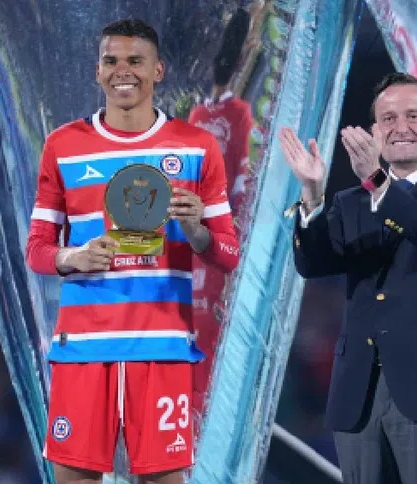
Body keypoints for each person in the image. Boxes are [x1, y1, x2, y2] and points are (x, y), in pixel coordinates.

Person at [24, 19, 240, 484]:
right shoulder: (63, 146)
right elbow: (37, 249)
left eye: (135, 61)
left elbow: (227, 253)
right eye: (111, 61)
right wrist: (72, 258)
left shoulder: (196, 146)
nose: (123, 71)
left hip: (162, 348)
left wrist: (195, 230)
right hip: (83, 348)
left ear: (158, 70)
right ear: (97, 72)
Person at [279, 72, 417, 483]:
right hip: (359, 395)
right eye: (388, 118)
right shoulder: (351, 201)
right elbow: (314, 263)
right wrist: (312, 194)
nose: (400, 127)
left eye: (413, 116)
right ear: (375, 132)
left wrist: (378, 180)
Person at [186, 6, 255, 419]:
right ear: (245, 53)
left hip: (189, 246)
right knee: (215, 338)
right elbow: (244, 186)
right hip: (219, 245)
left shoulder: (196, 117)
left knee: (194, 333)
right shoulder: (239, 115)